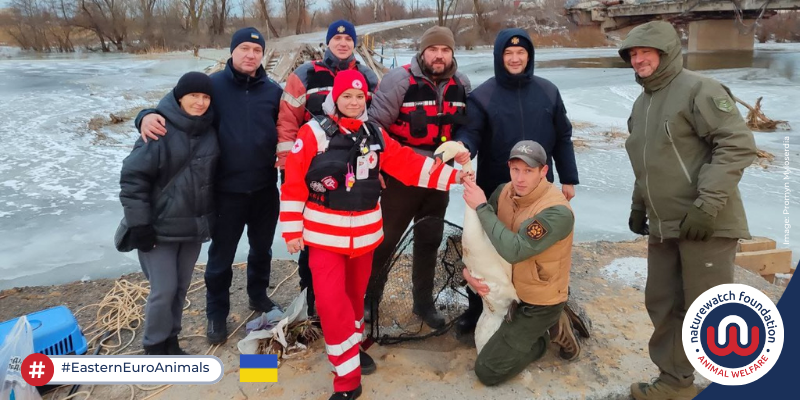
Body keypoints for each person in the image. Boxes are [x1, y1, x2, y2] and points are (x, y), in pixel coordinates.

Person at [280, 70, 469, 400]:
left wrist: (456, 177)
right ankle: (347, 381)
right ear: (334, 100)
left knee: (354, 301)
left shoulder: (375, 134)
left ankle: (354, 347)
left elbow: (411, 165)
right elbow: (294, 182)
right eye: (346, 97)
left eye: (358, 97)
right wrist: (292, 229)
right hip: (324, 238)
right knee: (329, 303)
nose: (353, 102)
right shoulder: (312, 134)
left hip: (365, 237)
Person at [618, 21, 757, 400]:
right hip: (664, 227)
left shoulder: (699, 89)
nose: (639, 59)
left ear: (666, 52)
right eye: (633, 53)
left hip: (705, 224)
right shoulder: (641, 103)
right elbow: (646, 163)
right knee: (664, 302)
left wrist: (707, 204)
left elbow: (737, 145)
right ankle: (675, 381)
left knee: (710, 309)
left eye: (646, 52)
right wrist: (638, 205)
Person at [135, 27, 284, 344]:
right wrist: (145, 115)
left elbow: (291, 125)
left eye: (256, 50)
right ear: (232, 51)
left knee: (262, 249)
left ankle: (258, 296)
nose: (250, 55)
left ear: (262, 55)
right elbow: (174, 104)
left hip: (264, 189)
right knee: (221, 257)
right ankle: (216, 314)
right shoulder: (213, 86)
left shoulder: (273, 91)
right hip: (224, 191)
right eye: (244, 48)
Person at [453, 27, 579, 338]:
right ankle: (477, 307)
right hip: (496, 186)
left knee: (536, 250)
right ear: (499, 57)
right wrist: (463, 147)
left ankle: (536, 308)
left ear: (529, 56)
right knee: (485, 249)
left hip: (540, 188)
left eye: (520, 52)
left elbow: (563, 136)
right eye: (508, 53)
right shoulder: (483, 95)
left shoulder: (548, 91)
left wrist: (570, 178)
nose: (515, 58)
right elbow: (472, 133)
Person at [365, 25, 471, 329]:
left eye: (445, 50)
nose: (438, 56)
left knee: (429, 239)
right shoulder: (398, 80)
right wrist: (380, 168)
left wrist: (462, 145)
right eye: (433, 50)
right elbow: (374, 127)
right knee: (384, 240)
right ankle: (370, 299)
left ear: (451, 53)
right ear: (422, 51)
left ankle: (423, 303)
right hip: (401, 176)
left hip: (438, 177)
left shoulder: (461, 83)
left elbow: (466, 124)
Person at [276, 19, 379, 316]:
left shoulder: (368, 77)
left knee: (354, 243)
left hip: (356, 175)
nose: (343, 43)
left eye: (349, 40)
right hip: (314, 173)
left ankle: (348, 306)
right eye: (338, 39)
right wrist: (289, 164)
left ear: (355, 45)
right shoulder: (305, 74)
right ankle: (313, 305)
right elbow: (287, 121)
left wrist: (377, 167)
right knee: (314, 243)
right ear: (328, 42)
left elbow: (377, 123)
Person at [460, 140, 580, 386]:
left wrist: (481, 206)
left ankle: (549, 332)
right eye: (516, 170)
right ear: (509, 168)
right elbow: (481, 238)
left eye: (528, 171)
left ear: (543, 171)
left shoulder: (556, 212)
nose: (520, 178)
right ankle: (533, 331)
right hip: (509, 289)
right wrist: (467, 273)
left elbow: (515, 250)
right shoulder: (503, 191)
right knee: (487, 346)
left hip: (538, 302)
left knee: (488, 370)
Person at [120, 72, 219, 355]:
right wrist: (140, 225)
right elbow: (132, 179)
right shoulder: (158, 129)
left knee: (181, 287)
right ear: (179, 98)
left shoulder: (210, 128)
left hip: (191, 227)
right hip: (157, 227)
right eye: (193, 96)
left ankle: (171, 340)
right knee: (163, 290)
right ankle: (153, 345)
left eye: (205, 97)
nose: (200, 103)